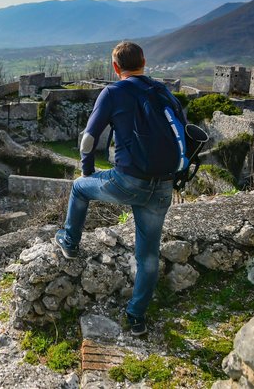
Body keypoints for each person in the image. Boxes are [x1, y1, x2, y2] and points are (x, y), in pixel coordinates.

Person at [54, 41, 186, 336]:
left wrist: (88, 171)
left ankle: (70, 243)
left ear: (116, 68)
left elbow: (89, 138)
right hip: (164, 184)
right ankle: (137, 317)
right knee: (148, 255)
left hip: (127, 181)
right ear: (144, 62)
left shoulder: (113, 92)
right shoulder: (163, 91)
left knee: (79, 188)